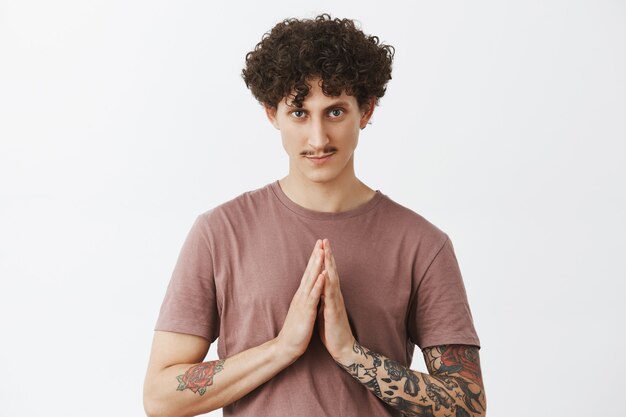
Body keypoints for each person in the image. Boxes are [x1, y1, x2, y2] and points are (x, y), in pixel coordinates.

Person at [143, 13, 486, 417]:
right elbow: (160, 397)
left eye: (336, 112)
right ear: (273, 114)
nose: (318, 138)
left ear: (367, 110)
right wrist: (282, 348)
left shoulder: (422, 244)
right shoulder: (220, 233)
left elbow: (468, 406)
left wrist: (351, 352)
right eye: (300, 113)